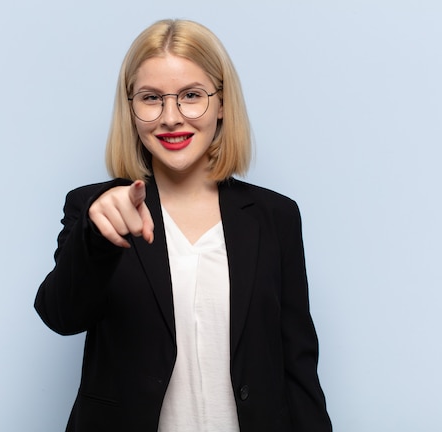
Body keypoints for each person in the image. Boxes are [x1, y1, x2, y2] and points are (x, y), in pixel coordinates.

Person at [35, 18, 332, 432]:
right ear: (131, 108)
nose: (171, 117)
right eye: (151, 98)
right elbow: (60, 315)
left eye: (192, 96)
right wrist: (97, 235)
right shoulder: (95, 207)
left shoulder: (275, 216)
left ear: (222, 102)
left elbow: (299, 368)